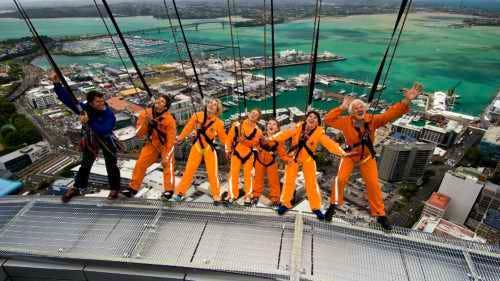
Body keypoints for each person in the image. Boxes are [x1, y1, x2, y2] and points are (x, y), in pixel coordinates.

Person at [323, 83, 423, 229]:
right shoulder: (345, 122)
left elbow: (391, 114)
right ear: (351, 112)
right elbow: (327, 120)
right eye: (355, 108)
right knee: (340, 179)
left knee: (373, 184)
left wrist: (407, 100)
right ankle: (332, 206)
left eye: (361, 106)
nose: (359, 109)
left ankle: (381, 215)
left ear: (365, 109)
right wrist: (342, 107)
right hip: (350, 156)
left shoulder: (373, 120)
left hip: (367, 158)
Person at [51, 73, 121, 202]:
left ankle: (115, 188)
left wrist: (88, 121)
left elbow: (104, 129)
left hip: (106, 138)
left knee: (111, 164)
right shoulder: (84, 109)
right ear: (90, 103)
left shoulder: (108, 113)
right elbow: (68, 100)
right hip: (91, 138)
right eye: (98, 102)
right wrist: (57, 85)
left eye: (102, 101)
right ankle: (77, 187)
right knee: (85, 164)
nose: (102, 103)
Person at [272, 111, 348, 220]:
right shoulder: (298, 128)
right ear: (306, 118)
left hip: (308, 159)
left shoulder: (318, 133)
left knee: (311, 183)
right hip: (294, 157)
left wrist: (342, 153)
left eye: (315, 118)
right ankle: (285, 204)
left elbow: (330, 144)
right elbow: (284, 134)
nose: (312, 119)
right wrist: (272, 138)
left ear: (318, 122)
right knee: (289, 181)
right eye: (310, 117)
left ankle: (316, 208)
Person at [121, 95, 176, 199]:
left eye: (162, 101)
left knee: (168, 164)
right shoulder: (146, 114)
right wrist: (146, 122)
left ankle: (169, 190)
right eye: (158, 100)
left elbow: (171, 140)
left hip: (165, 145)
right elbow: (138, 133)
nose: (159, 102)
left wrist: (166, 156)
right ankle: (133, 188)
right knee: (140, 163)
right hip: (152, 143)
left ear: (165, 108)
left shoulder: (169, 120)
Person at [174, 98, 227, 204]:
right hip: (197, 147)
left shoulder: (218, 123)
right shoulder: (197, 116)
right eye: (210, 102)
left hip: (209, 148)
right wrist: (180, 138)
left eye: (215, 104)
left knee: (213, 173)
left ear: (217, 109)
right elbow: (187, 128)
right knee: (189, 171)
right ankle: (180, 192)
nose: (212, 105)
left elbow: (224, 138)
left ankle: (216, 194)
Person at [225, 109, 263, 205]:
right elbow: (229, 138)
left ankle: (248, 196)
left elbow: (257, 144)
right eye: (252, 113)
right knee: (233, 174)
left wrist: (244, 142)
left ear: (258, 118)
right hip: (236, 153)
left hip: (249, 155)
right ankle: (232, 195)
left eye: (256, 114)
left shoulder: (258, 131)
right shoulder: (237, 125)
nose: (253, 115)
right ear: (248, 114)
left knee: (249, 176)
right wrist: (227, 150)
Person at [253, 119, 293, 206]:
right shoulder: (261, 136)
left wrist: (288, 160)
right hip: (259, 160)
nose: (271, 125)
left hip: (271, 162)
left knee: (274, 181)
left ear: (277, 129)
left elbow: (282, 154)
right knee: (257, 179)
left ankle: (275, 200)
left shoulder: (279, 139)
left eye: (274, 124)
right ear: (267, 127)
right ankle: (255, 196)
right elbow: (254, 144)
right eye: (269, 124)